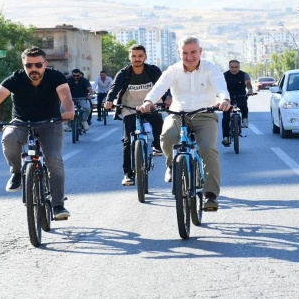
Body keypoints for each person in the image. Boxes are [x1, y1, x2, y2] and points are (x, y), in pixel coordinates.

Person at [137, 36, 230, 212]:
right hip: (178, 114)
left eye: (193, 52)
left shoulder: (211, 68)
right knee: (166, 137)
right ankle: (172, 165)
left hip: (205, 115)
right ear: (179, 53)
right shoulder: (173, 70)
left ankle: (210, 195)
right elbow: (158, 88)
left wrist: (224, 99)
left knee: (207, 150)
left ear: (200, 51)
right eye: (185, 53)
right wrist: (148, 101)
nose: (189, 56)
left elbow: (220, 87)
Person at [0, 47, 75, 219]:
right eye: (29, 65)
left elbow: (66, 98)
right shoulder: (15, 78)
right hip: (21, 122)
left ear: (45, 64)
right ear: (23, 65)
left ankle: (58, 205)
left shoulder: (56, 77)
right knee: (9, 137)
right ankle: (16, 172)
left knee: (54, 160)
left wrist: (69, 111)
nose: (34, 69)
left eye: (38, 65)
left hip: (50, 122)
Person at [104, 44, 171, 186]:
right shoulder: (124, 73)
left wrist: (168, 98)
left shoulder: (153, 70)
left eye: (140, 55)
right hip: (130, 108)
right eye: (134, 56)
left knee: (158, 122)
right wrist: (109, 100)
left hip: (151, 105)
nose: (137, 59)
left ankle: (156, 146)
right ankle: (128, 174)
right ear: (130, 57)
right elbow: (114, 87)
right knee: (128, 141)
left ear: (145, 56)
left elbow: (163, 86)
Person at [221, 59, 254, 146]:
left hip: (241, 96)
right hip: (228, 98)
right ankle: (225, 137)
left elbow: (248, 83)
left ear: (239, 67)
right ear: (229, 67)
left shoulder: (244, 75)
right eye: (232, 67)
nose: (234, 69)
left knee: (243, 105)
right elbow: (221, 86)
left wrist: (250, 90)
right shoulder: (224, 75)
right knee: (225, 117)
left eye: (236, 67)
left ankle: (245, 119)